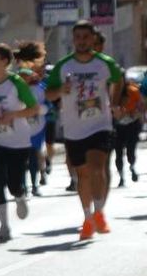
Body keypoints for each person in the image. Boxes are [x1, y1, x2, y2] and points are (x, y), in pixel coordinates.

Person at [46, 20, 125, 238]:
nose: (81, 41)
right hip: (74, 127)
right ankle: (88, 217)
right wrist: (61, 89)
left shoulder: (104, 63)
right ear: (74, 40)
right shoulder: (63, 66)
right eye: (78, 37)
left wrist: (115, 103)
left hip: (100, 124)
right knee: (83, 175)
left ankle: (99, 212)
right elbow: (48, 94)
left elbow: (118, 81)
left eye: (85, 37)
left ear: (92, 39)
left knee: (97, 165)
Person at [0, 44, 41, 242]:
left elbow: (34, 109)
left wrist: (13, 114)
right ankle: (4, 226)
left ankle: (20, 195)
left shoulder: (16, 83)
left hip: (17, 141)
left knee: (14, 184)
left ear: (4, 62)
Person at [20, 65, 50, 196]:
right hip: (19, 129)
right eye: (21, 77)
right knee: (21, 159)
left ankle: (34, 185)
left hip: (37, 128)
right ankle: (22, 186)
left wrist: (42, 109)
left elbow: (48, 104)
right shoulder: (15, 90)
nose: (24, 80)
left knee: (33, 157)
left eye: (26, 77)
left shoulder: (40, 88)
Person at [112, 74, 144, 186]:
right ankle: (121, 177)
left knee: (131, 150)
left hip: (132, 124)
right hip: (117, 125)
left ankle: (132, 166)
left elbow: (140, 106)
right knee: (118, 152)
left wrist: (136, 115)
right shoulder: (111, 92)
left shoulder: (133, 90)